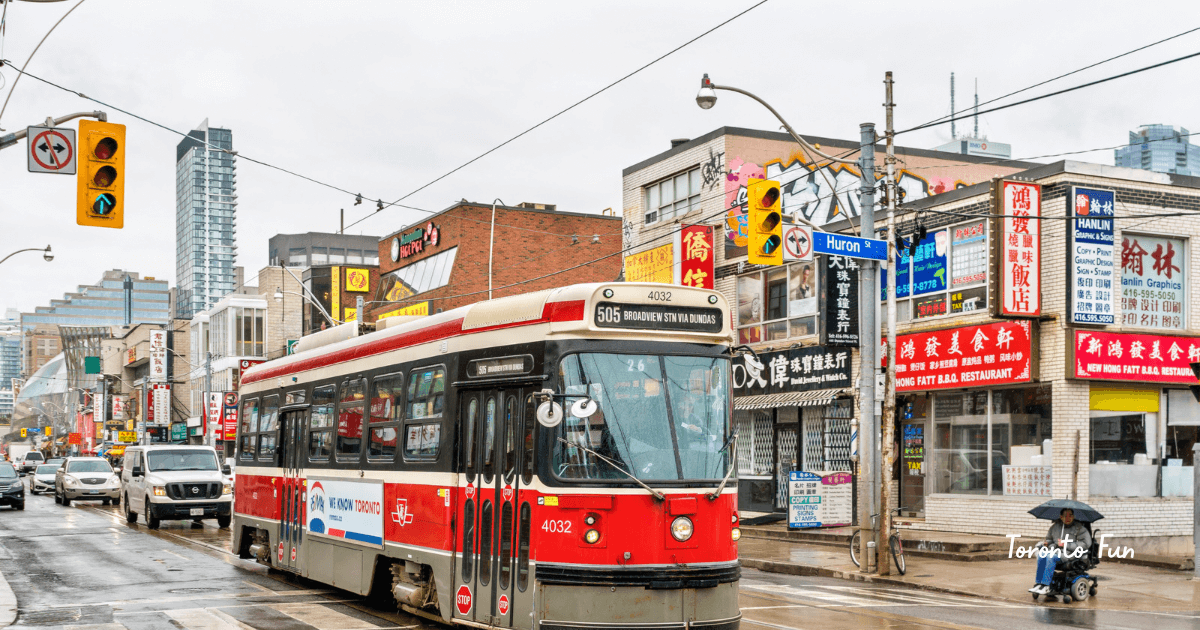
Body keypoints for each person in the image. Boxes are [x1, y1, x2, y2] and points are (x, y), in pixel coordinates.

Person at [1029, 508, 1091, 597]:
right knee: (1042, 555)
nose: (1068, 518)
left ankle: (1046, 585)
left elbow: (1086, 543)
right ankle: (1039, 583)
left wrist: (1066, 544)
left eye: (1070, 515)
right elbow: (1050, 540)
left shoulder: (1079, 528)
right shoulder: (1055, 527)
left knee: (1050, 556)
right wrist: (1047, 544)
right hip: (1056, 552)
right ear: (1061, 517)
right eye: (1065, 516)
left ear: (1073, 516)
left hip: (1070, 554)